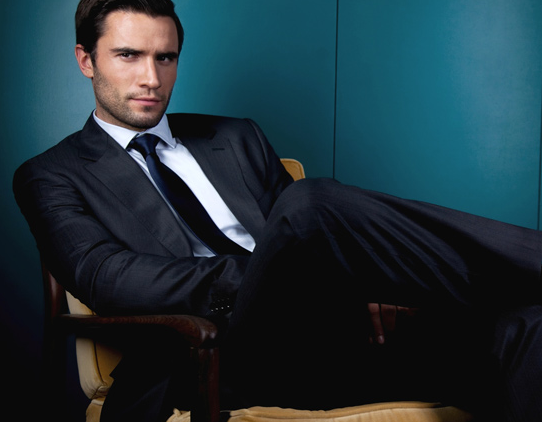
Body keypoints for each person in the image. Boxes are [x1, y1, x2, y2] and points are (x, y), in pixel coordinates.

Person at [12, 0, 542, 421]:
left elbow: (315, 242)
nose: (151, 78)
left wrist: (354, 280)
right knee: (307, 204)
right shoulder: (51, 174)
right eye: (128, 55)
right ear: (86, 60)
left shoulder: (236, 136)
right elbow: (107, 277)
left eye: (165, 58)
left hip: (327, 335)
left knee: (525, 326)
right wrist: (271, 272)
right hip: (209, 355)